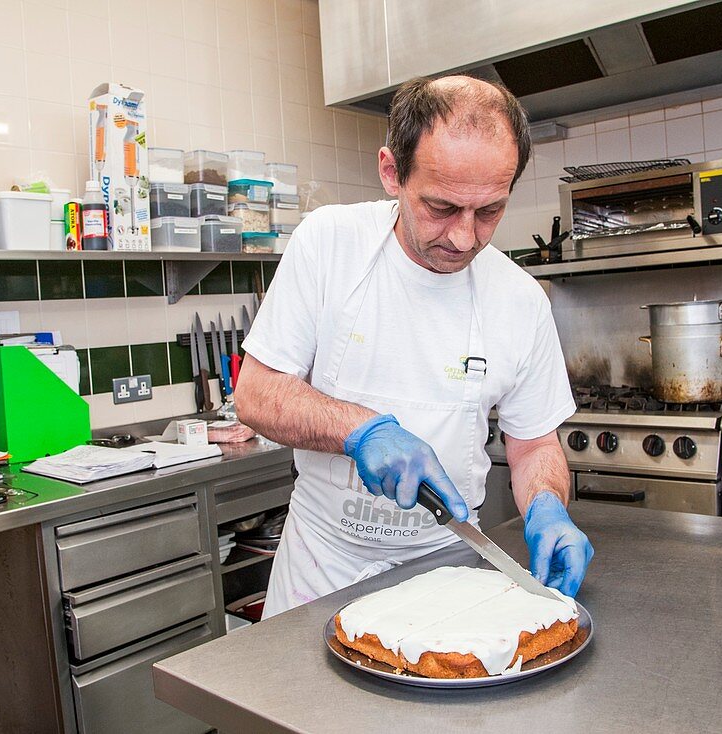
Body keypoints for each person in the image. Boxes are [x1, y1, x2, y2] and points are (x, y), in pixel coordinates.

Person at [236, 75, 594, 618]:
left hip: (446, 568)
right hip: (321, 564)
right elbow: (256, 394)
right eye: (442, 207)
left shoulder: (520, 299)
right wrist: (358, 429)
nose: (464, 237)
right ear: (391, 172)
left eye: (489, 211)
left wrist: (547, 504)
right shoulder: (328, 243)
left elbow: (534, 444)